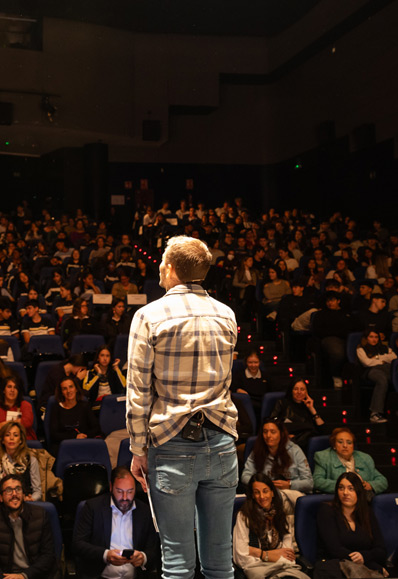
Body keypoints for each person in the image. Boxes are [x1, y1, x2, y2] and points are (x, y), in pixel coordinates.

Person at [126, 235, 237, 579]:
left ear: (170, 269)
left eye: (162, 260)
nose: (159, 264)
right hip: (221, 444)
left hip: (172, 445)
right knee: (220, 561)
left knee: (176, 564)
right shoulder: (226, 314)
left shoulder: (148, 316)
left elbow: (139, 391)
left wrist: (137, 448)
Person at [72, 465, 160, 579]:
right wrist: (105, 555)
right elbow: (78, 545)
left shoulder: (144, 511)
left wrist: (143, 557)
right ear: (110, 487)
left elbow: (154, 548)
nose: (125, 497)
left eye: (130, 491)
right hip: (100, 576)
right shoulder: (93, 508)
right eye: (119, 491)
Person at [232, 474, 309, 579]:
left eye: (265, 491)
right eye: (257, 492)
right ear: (253, 495)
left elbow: (288, 556)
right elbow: (241, 557)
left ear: (272, 493)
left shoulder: (280, 514)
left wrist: (258, 552)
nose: (262, 497)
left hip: (284, 567)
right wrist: (268, 555)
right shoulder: (244, 516)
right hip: (258, 569)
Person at [0, 474, 56, 579]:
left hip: (34, 575)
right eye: (9, 490)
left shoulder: (40, 515)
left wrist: (24, 576)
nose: (14, 494)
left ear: (23, 494)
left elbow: (48, 556)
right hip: (6, 575)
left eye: (18, 489)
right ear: (1, 497)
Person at [315, 473, 387, 578]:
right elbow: (334, 550)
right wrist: (370, 564)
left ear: (359, 492)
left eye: (351, 489)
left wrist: (364, 556)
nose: (345, 493)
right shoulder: (327, 511)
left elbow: (381, 550)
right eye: (341, 488)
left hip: (360, 569)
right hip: (335, 568)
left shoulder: (367, 513)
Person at [240, 420, 313, 496]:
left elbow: (309, 483)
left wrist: (290, 485)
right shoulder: (257, 451)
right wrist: (262, 484)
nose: (268, 435)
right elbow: (245, 476)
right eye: (265, 432)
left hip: (290, 493)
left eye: (273, 432)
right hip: (265, 493)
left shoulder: (295, 450)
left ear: (281, 434)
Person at [311, 428, 387, 496]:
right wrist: (345, 486)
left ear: (353, 446)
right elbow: (317, 481)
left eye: (349, 442)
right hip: (337, 498)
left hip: (363, 499)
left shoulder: (364, 458)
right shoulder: (323, 457)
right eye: (340, 442)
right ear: (334, 445)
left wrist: (370, 485)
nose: (345, 445)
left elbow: (382, 481)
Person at [0, 421, 43, 503]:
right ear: (2, 440)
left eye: (15, 435)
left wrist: (31, 499)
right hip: (5, 504)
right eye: (7, 435)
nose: (11, 438)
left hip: (27, 502)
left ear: (20, 440)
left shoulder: (31, 459)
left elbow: (37, 491)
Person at [270, 379, 325, 450]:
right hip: (284, 440)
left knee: (311, 431)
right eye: (296, 389)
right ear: (291, 391)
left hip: (303, 445)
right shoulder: (282, 403)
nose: (299, 392)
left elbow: (322, 430)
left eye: (302, 389)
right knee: (309, 429)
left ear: (306, 392)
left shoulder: (310, 406)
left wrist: (312, 409)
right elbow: (272, 424)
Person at [49, 375, 101, 447]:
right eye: (64, 389)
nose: (68, 391)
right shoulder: (56, 408)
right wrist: (74, 437)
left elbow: (96, 428)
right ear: (61, 392)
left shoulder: (85, 406)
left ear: (76, 389)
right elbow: (54, 434)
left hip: (84, 443)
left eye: (71, 387)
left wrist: (85, 436)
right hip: (65, 446)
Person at [355, 331, 395, 423]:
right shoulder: (361, 349)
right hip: (371, 371)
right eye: (371, 337)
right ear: (366, 338)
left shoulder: (384, 347)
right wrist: (383, 359)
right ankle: (375, 414)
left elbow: (394, 358)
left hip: (387, 369)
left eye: (376, 337)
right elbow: (367, 363)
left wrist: (376, 358)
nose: (374, 339)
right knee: (382, 380)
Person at [0, 376, 36, 442]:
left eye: (15, 387)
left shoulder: (25, 405)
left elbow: (27, 422)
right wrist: (16, 423)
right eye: (9, 387)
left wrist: (2, 425)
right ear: (4, 390)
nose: (12, 390)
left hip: (23, 443)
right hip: (0, 443)